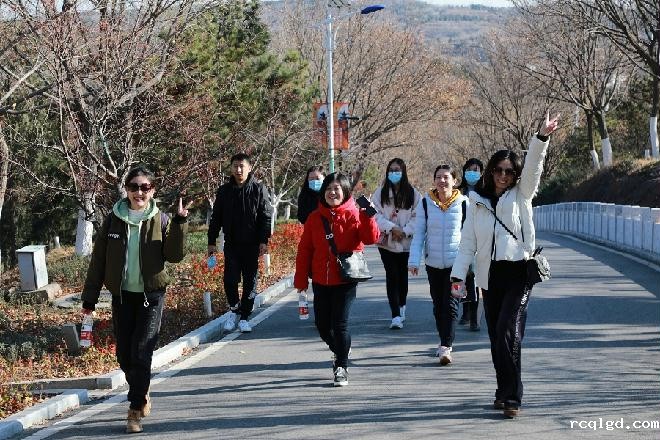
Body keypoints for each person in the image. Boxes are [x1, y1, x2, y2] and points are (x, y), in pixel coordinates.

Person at [450, 112, 560, 418]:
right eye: (498, 170)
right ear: (490, 171)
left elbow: (534, 166)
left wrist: (541, 138)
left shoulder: (522, 194)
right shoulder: (476, 201)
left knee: (507, 330)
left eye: (509, 171)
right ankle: (502, 389)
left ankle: (513, 397)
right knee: (496, 336)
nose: (503, 176)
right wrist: (457, 276)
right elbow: (468, 242)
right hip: (489, 275)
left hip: (519, 272)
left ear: (515, 174)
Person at [81, 165, 189, 433]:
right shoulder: (113, 220)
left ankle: (134, 409)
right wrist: (89, 299)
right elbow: (98, 260)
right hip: (122, 297)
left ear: (152, 191)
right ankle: (142, 389)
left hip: (151, 297)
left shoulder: (161, 220)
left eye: (144, 187)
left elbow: (174, 256)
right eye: (133, 187)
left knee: (142, 352)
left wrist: (179, 223)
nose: (139, 192)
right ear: (126, 190)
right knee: (124, 356)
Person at [294, 172, 379, 387]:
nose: (332, 193)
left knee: (340, 324)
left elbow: (371, 238)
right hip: (320, 280)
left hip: (345, 279)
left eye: (337, 189)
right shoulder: (314, 218)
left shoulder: (355, 214)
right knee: (322, 325)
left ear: (345, 192)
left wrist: (368, 217)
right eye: (329, 189)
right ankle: (341, 349)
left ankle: (341, 366)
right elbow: (305, 250)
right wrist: (301, 280)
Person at [408, 164, 467, 366]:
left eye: (446, 177)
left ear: (454, 181)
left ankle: (445, 346)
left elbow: (470, 236)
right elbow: (419, 234)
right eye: (438, 177)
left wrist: (472, 263)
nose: (442, 181)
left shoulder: (464, 204)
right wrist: (414, 260)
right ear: (434, 180)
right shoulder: (426, 203)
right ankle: (444, 341)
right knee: (438, 305)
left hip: (457, 265)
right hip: (433, 263)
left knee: (451, 305)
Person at [208, 153, 272, 333]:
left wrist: (263, 240)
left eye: (241, 166)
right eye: (235, 166)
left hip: (252, 244)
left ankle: (244, 317)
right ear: (231, 168)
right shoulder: (224, 191)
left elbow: (265, 216)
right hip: (232, 243)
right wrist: (211, 241)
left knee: (250, 281)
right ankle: (234, 310)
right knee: (230, 280)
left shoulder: (258, 189)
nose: (238, 170)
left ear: (249, 168)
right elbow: (216, 218)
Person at [372, 158, 421, 329]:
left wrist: (404, 231)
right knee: (392, 275)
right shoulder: (380, 193)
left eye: (397, 170)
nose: (394, 173)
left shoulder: (413, 194)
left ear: (403, 172)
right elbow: (375, 214)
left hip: (406, 242)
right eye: (391, 170)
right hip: (387, 242)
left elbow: (418, 216)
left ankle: (402, 306)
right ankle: (395, 315)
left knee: (402, 275)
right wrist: (392, 228)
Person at [458, 158, 484, 331]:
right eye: (469, 169)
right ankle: (466, 311)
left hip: (480, 240)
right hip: (460, 239)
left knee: (475, 277)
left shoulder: (486, 192)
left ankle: (475, 317)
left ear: (481, 173)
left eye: (476, 170)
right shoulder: (458, 192)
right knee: (464, 277)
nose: (472, 173)